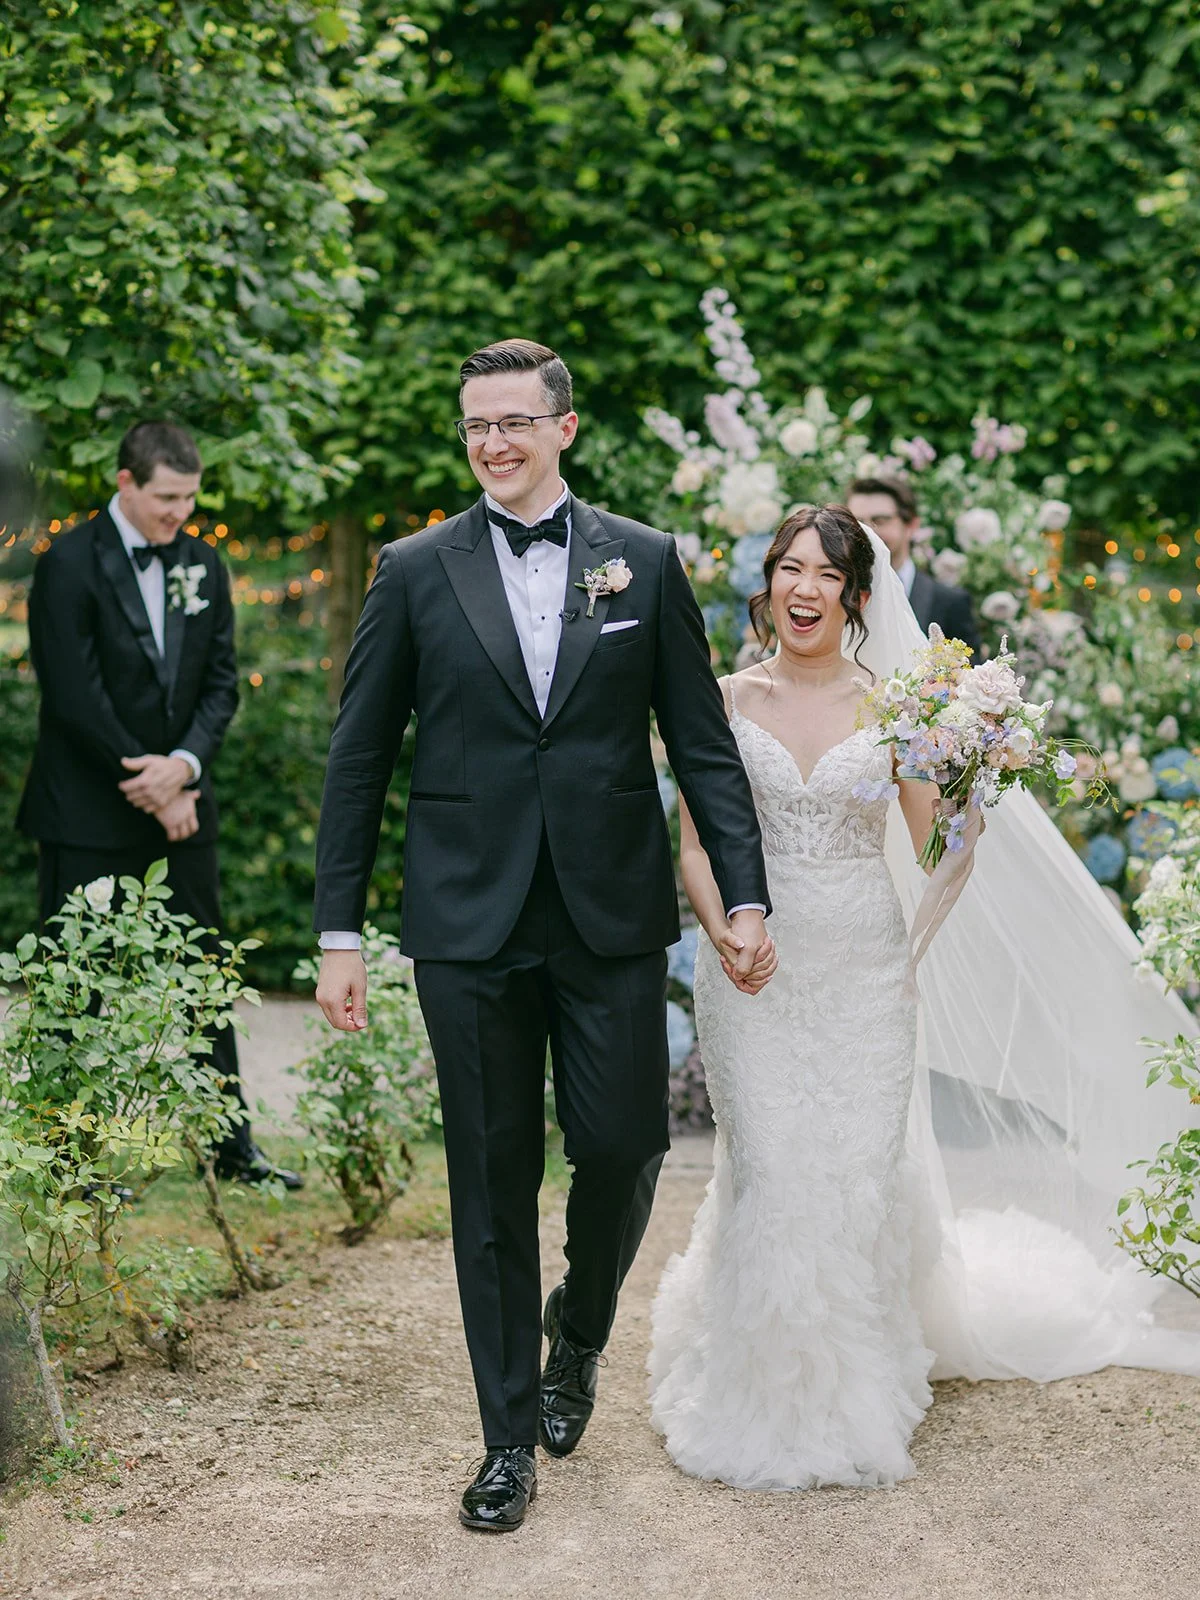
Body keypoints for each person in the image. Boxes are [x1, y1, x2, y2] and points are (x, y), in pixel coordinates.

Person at [312, 339, 775, 1532]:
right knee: (488, 1180)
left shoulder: (646, 561)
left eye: (515, 422)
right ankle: (507, 1435)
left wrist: (747, 894)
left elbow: (705, 748)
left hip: (609, 914)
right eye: (476, 426)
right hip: (466, 923)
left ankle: (582, 1329)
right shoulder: (414, 570)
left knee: (622, 1150)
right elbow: (361, 755)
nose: (493, 444)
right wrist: (338, 929)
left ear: (565, 427)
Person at [649, 505, 1200, 1491]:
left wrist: (964, 800)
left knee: (851, 1183)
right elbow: (693, 841)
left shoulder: (897, 708)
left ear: (858, 597)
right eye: (787, 568)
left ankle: (847, 1392)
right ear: (767, 584)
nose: (803, 587)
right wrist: (726, 922)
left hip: (861, 971)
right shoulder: (726, 697)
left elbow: (931, 847)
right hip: (752, 967)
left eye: (825, 574)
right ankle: (753, 1385)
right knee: (770, 1175)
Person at [18, 421, 301, 1190]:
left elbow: (220, 681)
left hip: (182, 804)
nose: (180, 513)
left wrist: (182, 768)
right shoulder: (68, 561)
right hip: (86, 810)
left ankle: (232, 1147)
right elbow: (72, 693)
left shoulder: (202, 561)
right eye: (167, 499)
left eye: (189, 497)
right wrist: (150, 785)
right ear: (126, 484)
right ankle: (69, 1163)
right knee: (80, 985)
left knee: (206, 975)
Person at [847, 474, 981, 657]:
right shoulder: (836, 592)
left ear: (911, 525)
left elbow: (968, 678)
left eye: (880, 520)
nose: (867, 531)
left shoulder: (951, 603)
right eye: (858, 522)